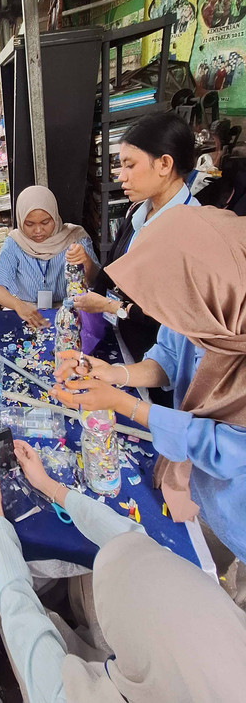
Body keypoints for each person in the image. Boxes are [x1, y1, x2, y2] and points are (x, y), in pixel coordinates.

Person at [0, 442, 246, 703]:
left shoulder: (65, 696)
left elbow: (18, 611)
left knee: (8, 621)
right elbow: (133, 540)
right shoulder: (226, 641)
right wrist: (48, 485)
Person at [52, 206, 246, 565]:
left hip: (236, 514)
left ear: (213, 285)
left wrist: (127, 405)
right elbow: (168, 357)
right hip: (194, 485)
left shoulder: (216, 304)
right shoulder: (206, 305)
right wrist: (115, 374)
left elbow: (225, 450)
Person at [75, 112, 198, 363]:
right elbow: (113, 272)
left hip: (160, 365)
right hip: (124, 343)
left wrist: (111, 307)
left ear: (164, 164)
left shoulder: (192, 229)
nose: (121, 175)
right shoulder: (136, 213)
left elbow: (176, 319)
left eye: (130, 165)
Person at [0, 186, 98, 328]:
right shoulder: (15, 243)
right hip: (28, 313)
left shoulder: (75, 238)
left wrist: (86, 261)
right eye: (29, 224)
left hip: (69, 311)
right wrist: (18, 305)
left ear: (55, 216)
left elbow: (97, 281)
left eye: (45, 222)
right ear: (21, 221)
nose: (38, 230)